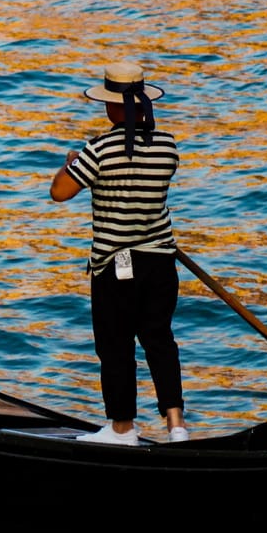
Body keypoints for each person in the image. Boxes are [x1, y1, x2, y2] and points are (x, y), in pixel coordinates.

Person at [49, 60, 185, 444]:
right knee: (160, 341)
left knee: (116, 344)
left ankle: (122, 428)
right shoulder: (167, 146)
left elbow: (59, 193)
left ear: (112, 107)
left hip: (115, 264)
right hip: (160, 261)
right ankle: (177, 426)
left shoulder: (98, 149)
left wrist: (69, 166)